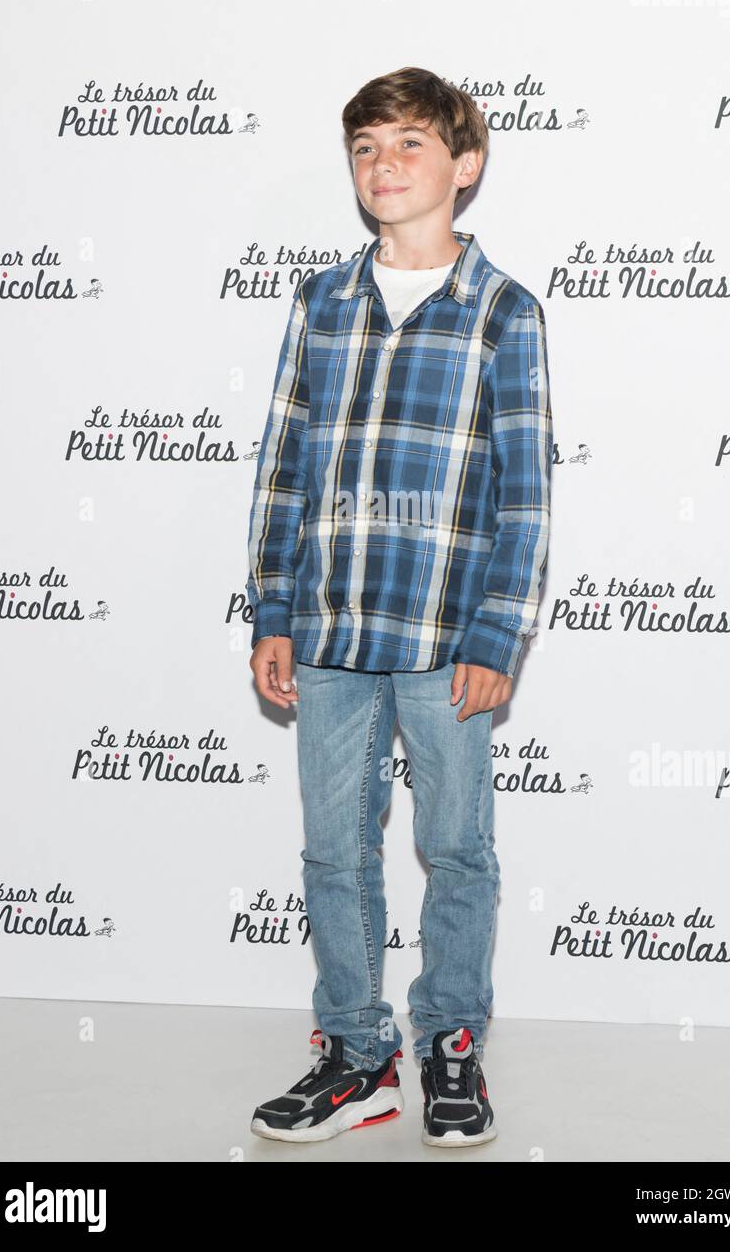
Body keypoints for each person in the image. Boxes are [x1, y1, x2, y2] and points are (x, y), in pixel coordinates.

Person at [245, 66, 553, 1147]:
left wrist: (495, 630)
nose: (384, 166)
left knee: (456, 846)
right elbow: (282, 465)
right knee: (333, 851)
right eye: (366, 148)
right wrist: (271, 610)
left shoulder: (502, 312)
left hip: (444, 641)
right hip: (329, 631)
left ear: (461, 166)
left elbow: (525, 490)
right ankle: (355, 1053)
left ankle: (450, 1044)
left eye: (409, 145)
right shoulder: (319, 303)